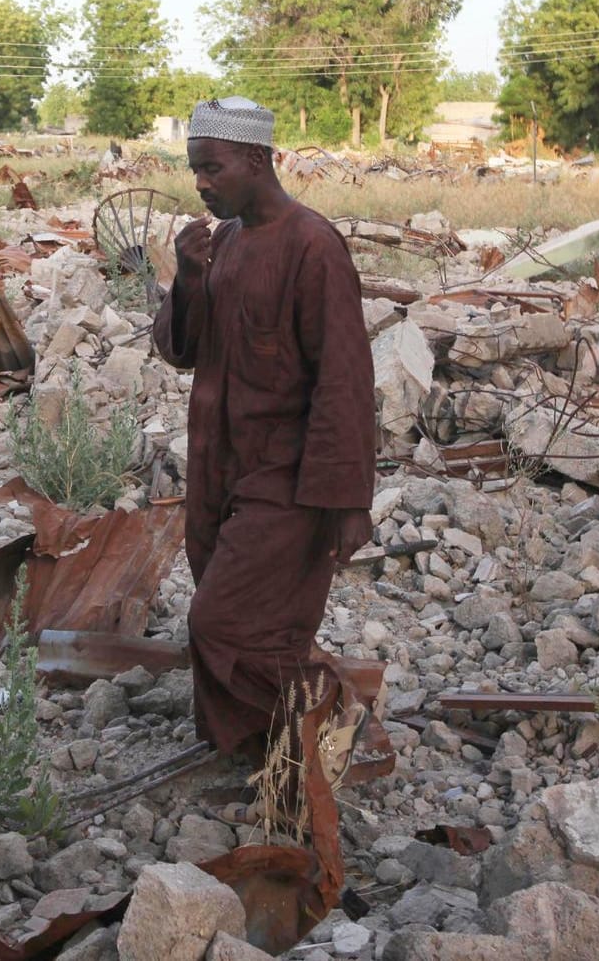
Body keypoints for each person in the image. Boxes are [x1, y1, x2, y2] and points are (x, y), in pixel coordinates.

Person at [153, 97, 378, 818]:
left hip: (289, 480)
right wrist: (187, 280)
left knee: (226, 624)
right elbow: (182, 351)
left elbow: (345, 381)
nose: (202, 185)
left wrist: (348, 503)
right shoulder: (226, 246)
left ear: (257, 160)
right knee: (230, 619)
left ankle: (337, 724)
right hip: (222, 472)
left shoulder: (313, 246)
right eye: (195, 170)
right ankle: (264, 758)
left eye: (212, 168)